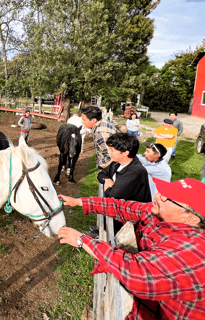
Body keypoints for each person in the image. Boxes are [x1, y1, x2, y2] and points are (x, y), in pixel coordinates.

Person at [57, 178, 205, 319]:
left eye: (167, 197)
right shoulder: (162, 215)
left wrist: (82, 240)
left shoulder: (195, 251)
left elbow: (138, 274)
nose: (158, 195)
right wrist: (79, 202)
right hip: (143, 306)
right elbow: (124, 208)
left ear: (190, 218)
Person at [98, 132, 151, 203]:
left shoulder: (135, 172)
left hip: (132, 212)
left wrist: (107, 188)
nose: (108, 152)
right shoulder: (117, 162)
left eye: (112, 150)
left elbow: (112, 195)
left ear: (125, 153)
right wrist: (107, 180)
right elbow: (101, 174)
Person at [81, 106, 120, 196]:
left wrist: (103, 171)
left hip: (112, 170)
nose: (83, 122)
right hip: (116, 166)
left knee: (107, 198)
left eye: (84, 120)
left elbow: (110, 155)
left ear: (94, 120)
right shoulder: (104, 122)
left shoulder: (101, 132)